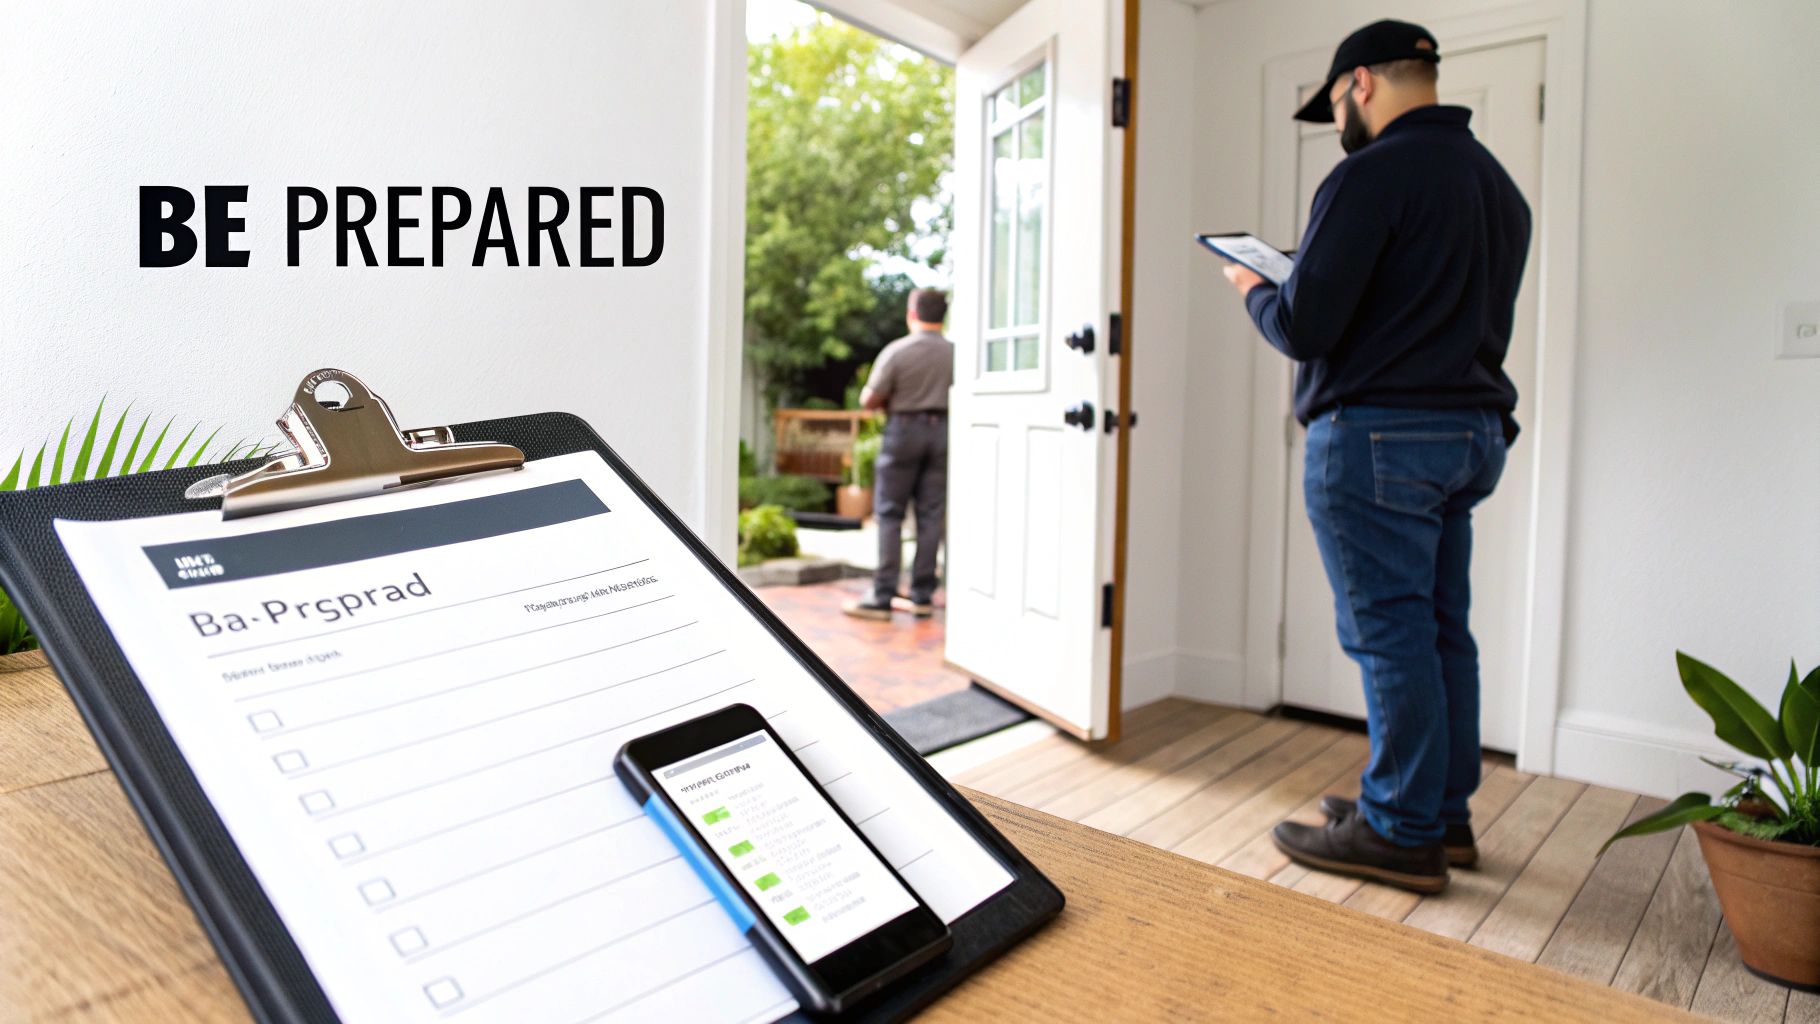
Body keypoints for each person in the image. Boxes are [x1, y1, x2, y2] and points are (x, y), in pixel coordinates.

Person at [1220, 19, 1531, 893]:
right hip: (1468, 436)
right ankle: (1442, 816)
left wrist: (1254, 284)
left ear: (1360, 83)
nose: (1337, 126)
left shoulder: (1368, 174)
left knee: (1389, 636)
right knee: (1439, 632)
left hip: (1380, 439)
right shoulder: (1499, 187)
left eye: (1333, 107)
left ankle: (1399, 832)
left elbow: (1304, 324)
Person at [843, 288, 954, 622]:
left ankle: (882, 596)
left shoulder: (898, 351)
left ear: (912, 313)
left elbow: (868, 399)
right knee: (931, 515)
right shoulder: (956, 354)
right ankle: (922, 594)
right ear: (942, 316)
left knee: (889, 513)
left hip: (903, 431)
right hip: (943, 433)